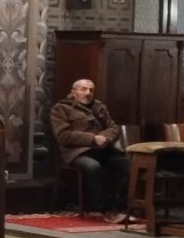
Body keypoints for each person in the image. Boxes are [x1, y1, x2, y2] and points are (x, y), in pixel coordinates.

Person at [51, 79, 129, 221]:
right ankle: (105, 210)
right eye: (83, 89)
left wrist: (105, 137)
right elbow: (63, 136)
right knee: (93, 167)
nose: (88, 93)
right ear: (73, 92)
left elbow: (114, 127)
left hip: (101, 149)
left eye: (91, 90)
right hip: (77, 152)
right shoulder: (61, 108)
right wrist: (92, 139)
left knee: (126, 163)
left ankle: (120, 206)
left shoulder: (99, 106)